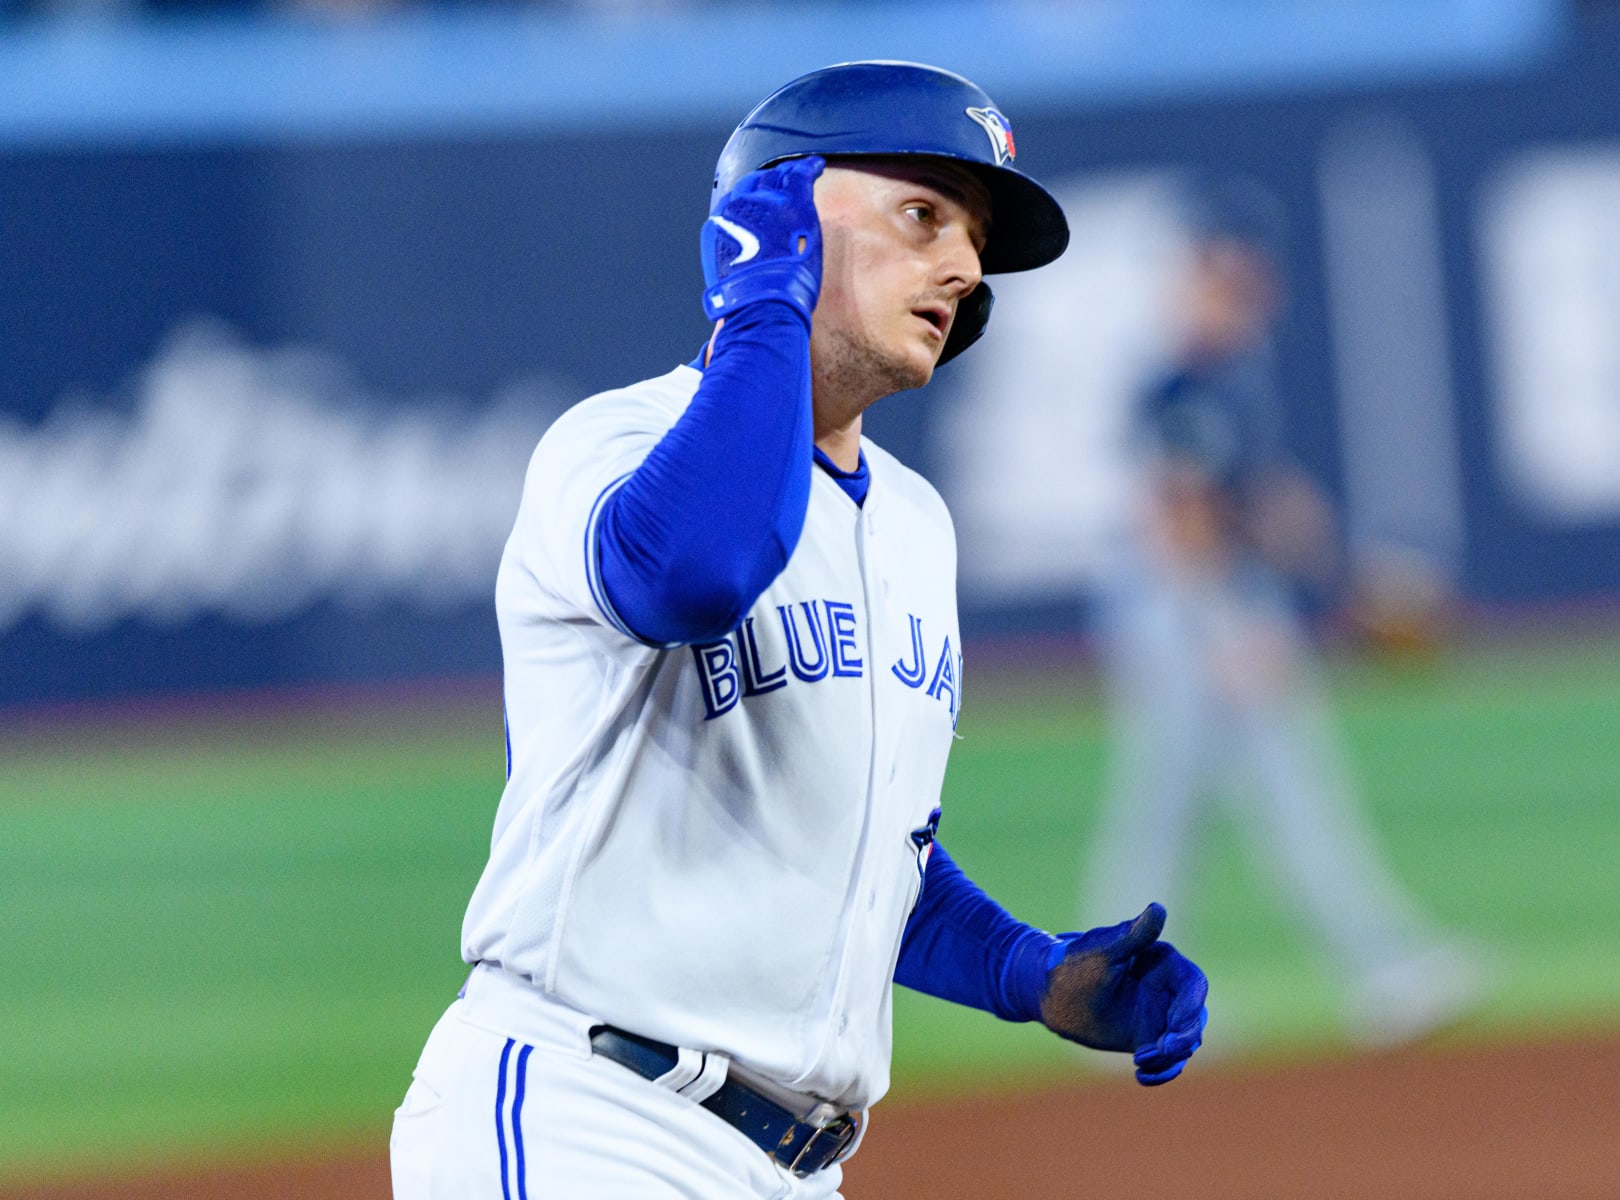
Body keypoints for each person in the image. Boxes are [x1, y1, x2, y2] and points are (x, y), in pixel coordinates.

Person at [391, 61, 1210, 1200]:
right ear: (774, 212)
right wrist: (763, 300)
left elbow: (874, 854)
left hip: (794, 1168)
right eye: (921, 215)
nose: (964, 268)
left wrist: (1034, 972)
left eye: (970, 240)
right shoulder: (616, 444)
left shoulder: (916, 524)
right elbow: (698, 571)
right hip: (589, 1118)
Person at [1080, 185, 1482, 1052]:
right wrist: (1225, 624)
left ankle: (1382, 968)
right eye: (1234, 273)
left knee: (1241, 800)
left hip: (1215, 599)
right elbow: (1179, 516)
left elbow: (1257, 499)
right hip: (1190, 605)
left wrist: (1342, 571)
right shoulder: (1185, 376)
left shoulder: (1228, 375)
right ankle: (1381, 970)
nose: (1253, 289)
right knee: (1188, 807)